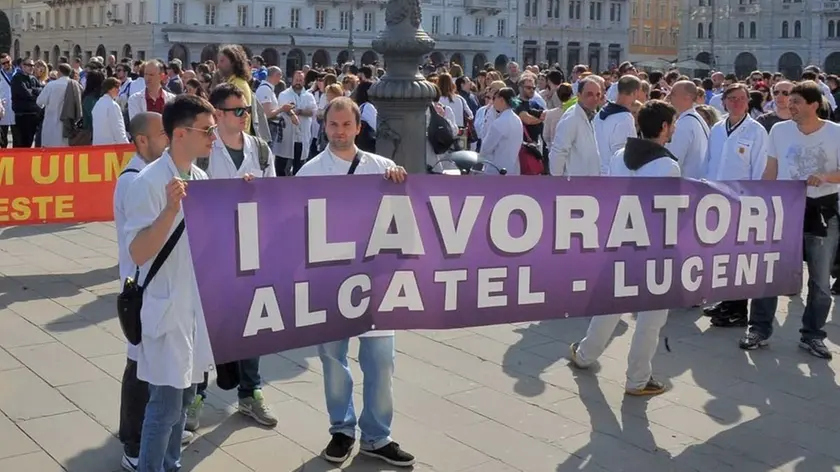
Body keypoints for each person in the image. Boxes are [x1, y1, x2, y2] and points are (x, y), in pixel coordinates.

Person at [296, 97, 415, 468]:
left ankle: (378, 436)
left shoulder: (384, 169)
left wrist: (401, 186)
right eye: (333, 125)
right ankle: (342, 430)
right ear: (324, 127)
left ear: (358, 128)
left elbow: (405, 225)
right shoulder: (310, 173)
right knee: (333, 359)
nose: (340, 131)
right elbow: (293, 229)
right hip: (331, 281)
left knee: (381, 361)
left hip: (375, 280)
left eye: (347, 125)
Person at [124, 95, 217, 472]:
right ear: (181, 133)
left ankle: (171, 465)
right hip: (164, 309)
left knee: (183, 406)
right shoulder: (147, 182)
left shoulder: (201, 178)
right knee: (163, 408)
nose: (214, 136)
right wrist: (169, 211)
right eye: (207, 129)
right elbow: (137, 252)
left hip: (193, 309)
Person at [570, 100, 680, 396]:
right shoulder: (668, 165)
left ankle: (585, 354)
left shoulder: (620, 155)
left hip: (620, 240)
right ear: (664, 127)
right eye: (672, 123)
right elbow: (667, 212)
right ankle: (637, 378)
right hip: (653, 247)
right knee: (651, 318)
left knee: (612, 304)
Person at [185, 84, 278, 431]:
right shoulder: (205, 153)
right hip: (214, 252)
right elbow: (193, 198)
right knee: (209, 328)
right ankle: (196, 396)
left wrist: (259, 191)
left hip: (253, 251)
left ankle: (250, 392)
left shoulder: (262, 150)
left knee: (252, 326)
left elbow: (276, 198)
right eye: (237, 110)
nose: (244, 117)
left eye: (247, 110)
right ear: (219, 113)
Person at [114, 112, 190, 472]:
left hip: (160, 286)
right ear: (143, 140)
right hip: (145, 285)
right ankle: (133, 443)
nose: (167, 140)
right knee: (142, 372)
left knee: (149, 373)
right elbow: (143, 244)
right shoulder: (137, 180)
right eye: (162, 134)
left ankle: (151, 446)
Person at [741, 81, 840, 357]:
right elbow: (771, 171)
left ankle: (812, 335)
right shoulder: (779, 131)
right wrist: (757, 201)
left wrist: (825, 177)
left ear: (814, 104)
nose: (789, 105)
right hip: (784, 208)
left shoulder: (836, 133)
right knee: (769, 273)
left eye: (796, 100)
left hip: (822, 210)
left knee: (820, 282)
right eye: (787, 99)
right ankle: (759, 328)